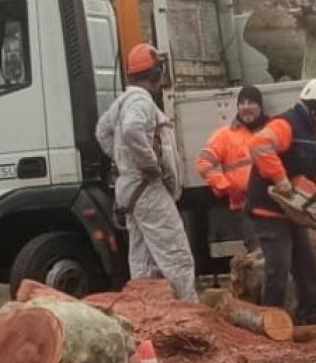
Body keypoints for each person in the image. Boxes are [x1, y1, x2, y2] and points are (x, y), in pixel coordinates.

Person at [96, 43, 197, 302]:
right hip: (146, 188)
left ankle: (145, 311)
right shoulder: (141, 100)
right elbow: (131, 130)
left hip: (130, 189)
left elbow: (102, 132)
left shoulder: (123, 101)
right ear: (154, 74)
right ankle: (190, 315)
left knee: (143, 261)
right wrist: (149, 164)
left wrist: (121, 160)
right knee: (177, 257)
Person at [246, 79, 316, 325]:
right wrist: (280, 178)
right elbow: (259, 145)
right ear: (313, 109)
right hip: (269, 208)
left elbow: (311, 168)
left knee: (306, 266)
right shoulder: (286, 125)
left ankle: (315, 317)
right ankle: (270, 321)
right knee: (278, 267)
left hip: (293, 210)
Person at [197, 85, 267, 253]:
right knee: (258, 254)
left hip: (273, 205)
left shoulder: (273, 131)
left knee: (280, 254)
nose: (246, 107)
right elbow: (204, 163)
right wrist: (225, 187)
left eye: (251, 102)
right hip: (245, 207)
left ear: (260, 107)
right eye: (242, 103)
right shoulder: (225, 135)